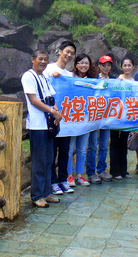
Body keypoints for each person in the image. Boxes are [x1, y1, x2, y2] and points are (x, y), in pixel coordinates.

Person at [21, 49, 62, 208]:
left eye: (45, 59)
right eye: (40, 59)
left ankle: (46, 193)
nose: (43, 62)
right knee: (39, 161)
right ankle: (37, 195)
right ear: (33, 59)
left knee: (49, 160)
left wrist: (56, 113)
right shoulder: (28, 76)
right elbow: (33, 100)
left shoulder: (44, 77)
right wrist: (53, 111)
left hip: (48, 125)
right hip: (37, 126)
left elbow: (51, 98)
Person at [44, 41, 76, 195]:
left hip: (66, 120)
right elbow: (44, 88)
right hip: (51, 118)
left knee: (65, 151)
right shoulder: (49, 69)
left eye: (72, 53)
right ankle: (52, 182)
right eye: (67, 51)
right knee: (52, 152)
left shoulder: (69, 75)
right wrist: (53, 76)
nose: (69, 55)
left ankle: (63, 180)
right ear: (60, 51)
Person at [66, 54, 97, 187]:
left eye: (86, 63)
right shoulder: (69, 77)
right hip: (73, 118)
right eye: (81, 62)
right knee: (69, 148)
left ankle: (79, 175)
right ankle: (69, 175)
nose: (83, 65)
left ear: (90, 65)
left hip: (87, 119)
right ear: (76, 64)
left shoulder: (94, 80)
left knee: (82, 149)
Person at [86, 55, 115, 183]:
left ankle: (101, 170)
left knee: (103, 145)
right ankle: (91, 172)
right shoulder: (93, 80)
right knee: (92, 146)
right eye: (104, 65)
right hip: (94, 117)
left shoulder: (114, 81)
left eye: (108, 65)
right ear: (99, 66)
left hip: (107, 117)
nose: (106, 68)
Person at [109, 55, 136, 179]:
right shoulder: (117, 80)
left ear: (133, 67)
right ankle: (115, 171)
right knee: (114, 142)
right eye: (125, 65)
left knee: (124, 142)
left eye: (129, 65)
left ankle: (123, 170)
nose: (127, 67)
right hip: (116, 115)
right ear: (121, 67)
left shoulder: (135, 82)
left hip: (128, 116)